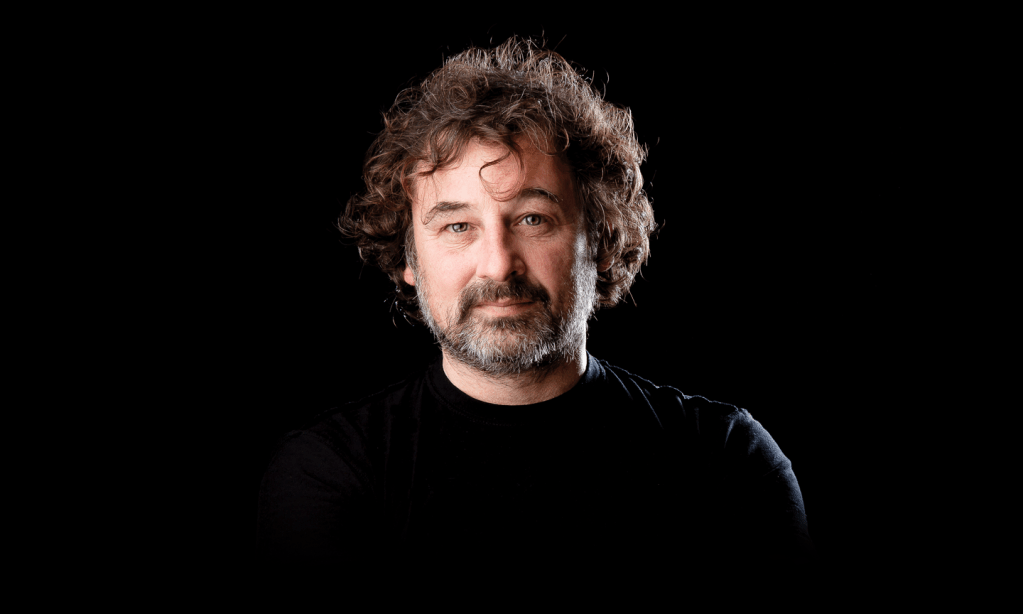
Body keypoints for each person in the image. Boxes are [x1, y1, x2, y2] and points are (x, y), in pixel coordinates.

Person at [256, 36, 815, 574]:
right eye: (457, 226)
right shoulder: (331, 471)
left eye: (532, 219)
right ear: (408, 258)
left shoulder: (726, 460)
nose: (498, 265)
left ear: (599, 240)